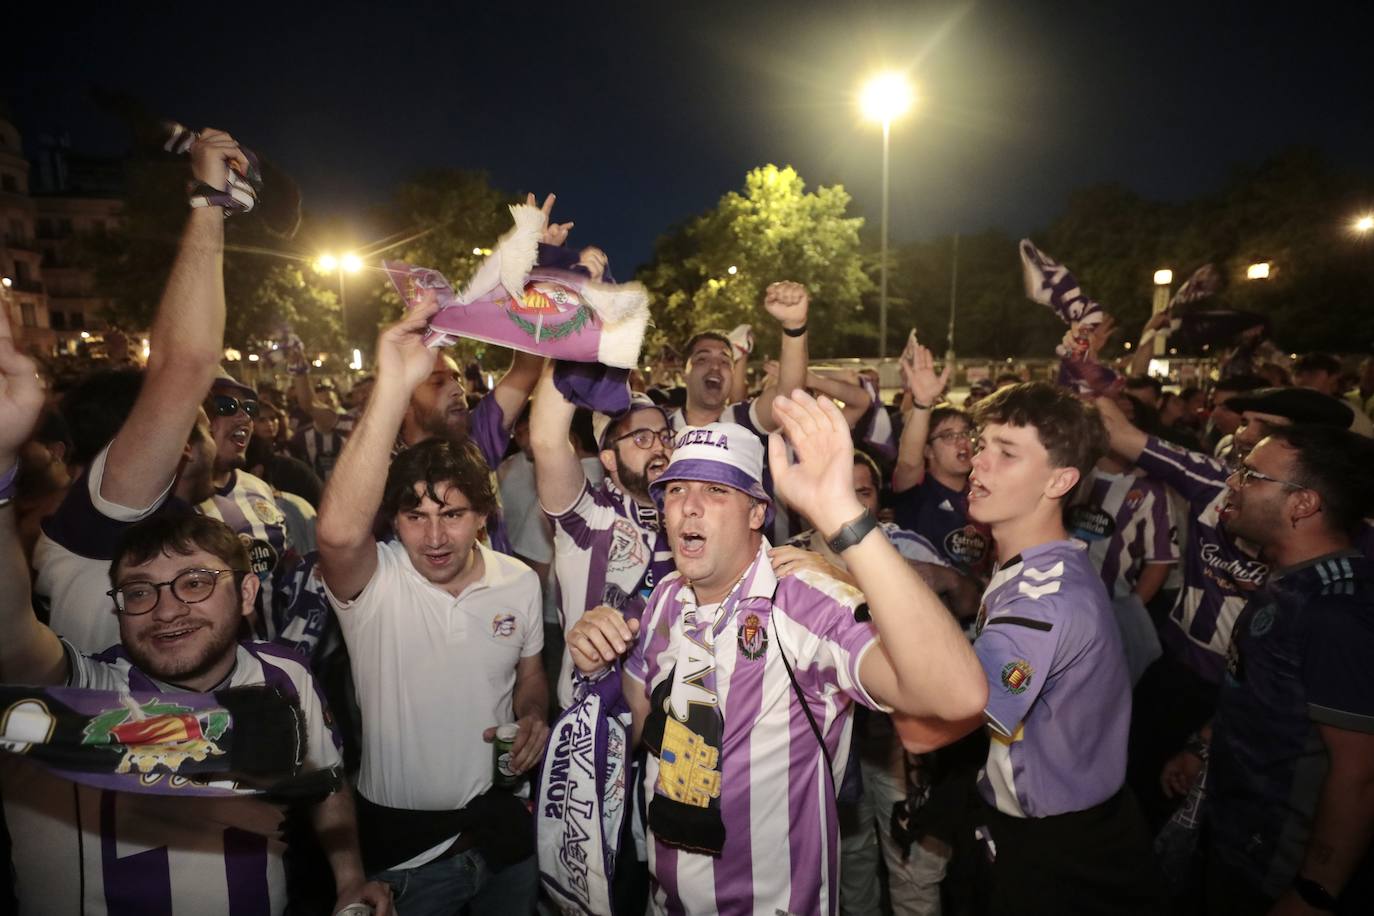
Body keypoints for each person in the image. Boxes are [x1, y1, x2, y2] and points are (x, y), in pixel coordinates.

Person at [0, 321, 390, 915]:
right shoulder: (86, 691)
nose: (166, 609)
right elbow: (8, 635)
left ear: (246, 593)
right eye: (138, 592)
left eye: (195, 583)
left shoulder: (286, 678)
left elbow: (328, 779)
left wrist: (347, 878)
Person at [567, 391, 987, 915]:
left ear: (757, 512)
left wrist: (844, 518)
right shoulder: (665, 601)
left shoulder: (803, 601)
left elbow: (958, 695)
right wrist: (595, 668)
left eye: (715, 491)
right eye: (676, 489)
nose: (689, 506)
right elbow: (632, 728)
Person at [315, 299, 548, 914]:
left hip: (504, 842)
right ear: (394, 520)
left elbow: (529, 675)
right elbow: (338, 535)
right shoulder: (377, 581)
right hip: (409, 859)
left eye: (452, 515)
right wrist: (394, 384)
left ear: (483, 517)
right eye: (415, 517)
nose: (435, 537)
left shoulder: (519, 582)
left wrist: (532, 717)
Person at [895, 382, 1164, 914]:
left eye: (1007, 453)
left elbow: (922, 730)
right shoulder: (1042, 561)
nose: (979, 463)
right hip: (1060, 822)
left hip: (1058, 852)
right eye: (982, 443)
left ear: (1060, 480)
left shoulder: (1041, 602)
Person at [1095, 386, 1357, 828]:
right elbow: (1118, 434)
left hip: (1263, 697)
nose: (1243, 434)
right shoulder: (1215, 481)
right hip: (1180, 670)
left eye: (1264, 429)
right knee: (1140, 783)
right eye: (1246, 422)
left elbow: (1353, 771)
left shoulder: (1342, 572)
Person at [32, 128, 243, 653]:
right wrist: (208, 198)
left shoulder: (150, 527)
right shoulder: (106, 514)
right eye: (190, 417)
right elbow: (183, 363)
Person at [1161, 425, 1374, 914]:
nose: (1232, 483)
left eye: (1250, 475)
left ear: (1302, 504)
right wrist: (1204, 745)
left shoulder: (1336, 613)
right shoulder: (1289, 579)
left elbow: (1360, 773)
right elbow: (1267, 692)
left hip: (1279, 870)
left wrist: (1314, 891)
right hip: (1238, 840)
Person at [530, 367, 675, 708]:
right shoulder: (589, 518)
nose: (659, 447)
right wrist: (573, 347)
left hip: (672, 727)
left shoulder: (689, 517)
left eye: (665, 436)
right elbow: (546, 440)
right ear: (608, 457)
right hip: (595, 725)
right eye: (641, 438)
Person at [892, 342, 993, 578]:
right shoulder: (917, 494)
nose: (962, 442)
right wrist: (923, 403)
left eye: (967, 434)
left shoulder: (988, 491)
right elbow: (907, 463)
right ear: (927, 450)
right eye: (948, 436)